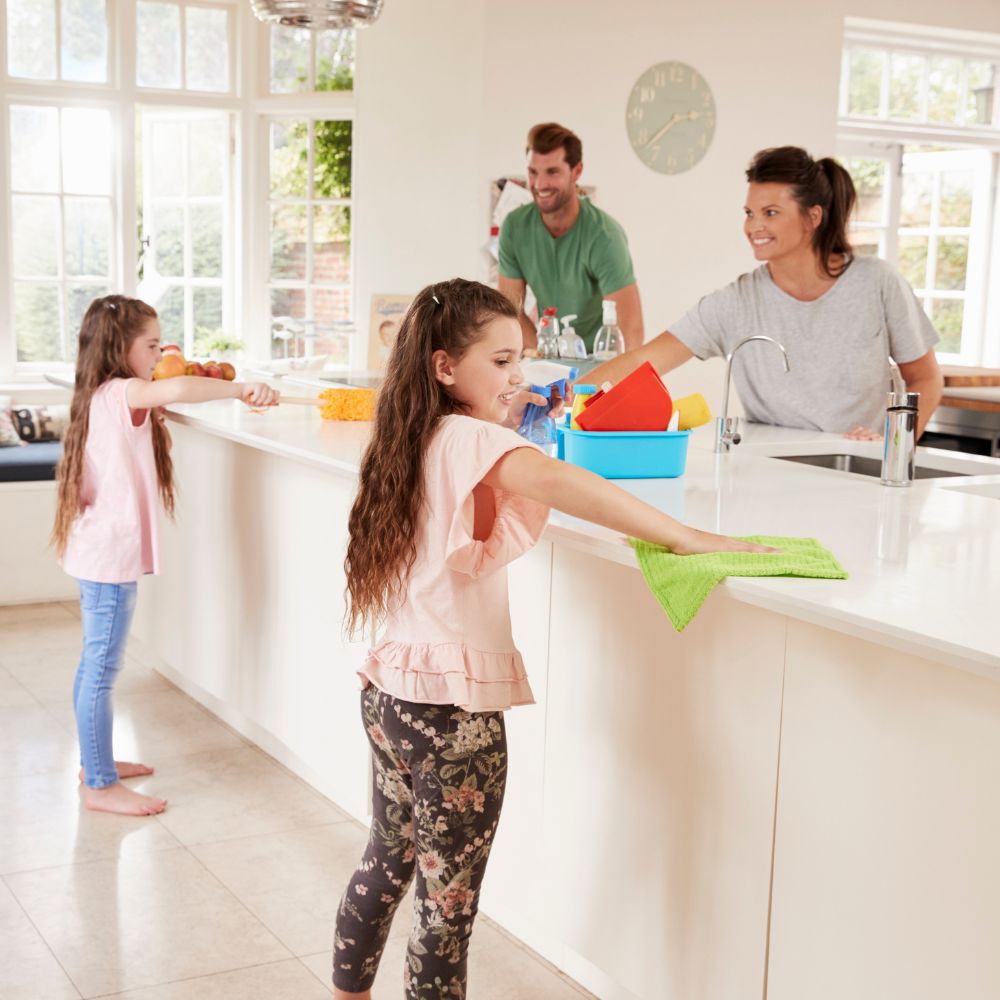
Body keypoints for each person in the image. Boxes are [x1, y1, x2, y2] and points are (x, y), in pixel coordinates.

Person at [331, 279, 773, 1000]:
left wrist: (514, 422)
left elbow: (489, 494)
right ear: (446, 367)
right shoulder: (474, 438)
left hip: (390, 696)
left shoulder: (412, 431)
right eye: (501, 363)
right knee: (448, 912)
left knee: (386, 860)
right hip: (453, 719)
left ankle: (347, 993)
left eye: (520, 362)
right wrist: (687, 535)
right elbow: (568, 482)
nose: (518, 378)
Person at [52, 294, 279, 817]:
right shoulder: (121, 392)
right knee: (101, 668)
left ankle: (96, 762)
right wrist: (241, 387)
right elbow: (174, 387)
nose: (160, 354)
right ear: (119, 347)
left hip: (99, 551)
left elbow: (167, 389)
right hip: (107, 558)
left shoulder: (103, 393)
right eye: (152, 345)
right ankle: (100, 784)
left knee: (98, 664)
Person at [588, 146, 944, 439]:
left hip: (860, 467)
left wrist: (894, 444)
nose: (753, 226)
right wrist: (561, 396)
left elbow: (925, 378)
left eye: (770, 213)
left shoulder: (877, 283)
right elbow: (643, 362)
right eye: (749, 213)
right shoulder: (737, 302)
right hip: (774, 467)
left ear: (813, 216)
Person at [498, 122, 644, 354]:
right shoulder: (514, 228)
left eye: (552, 172)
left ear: (576, 171)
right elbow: (509, 309)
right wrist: (544, 355)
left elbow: (631, 333)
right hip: (548, 351)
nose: (540, 184)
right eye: (533, 172)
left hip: (599, 359)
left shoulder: (604, 236)